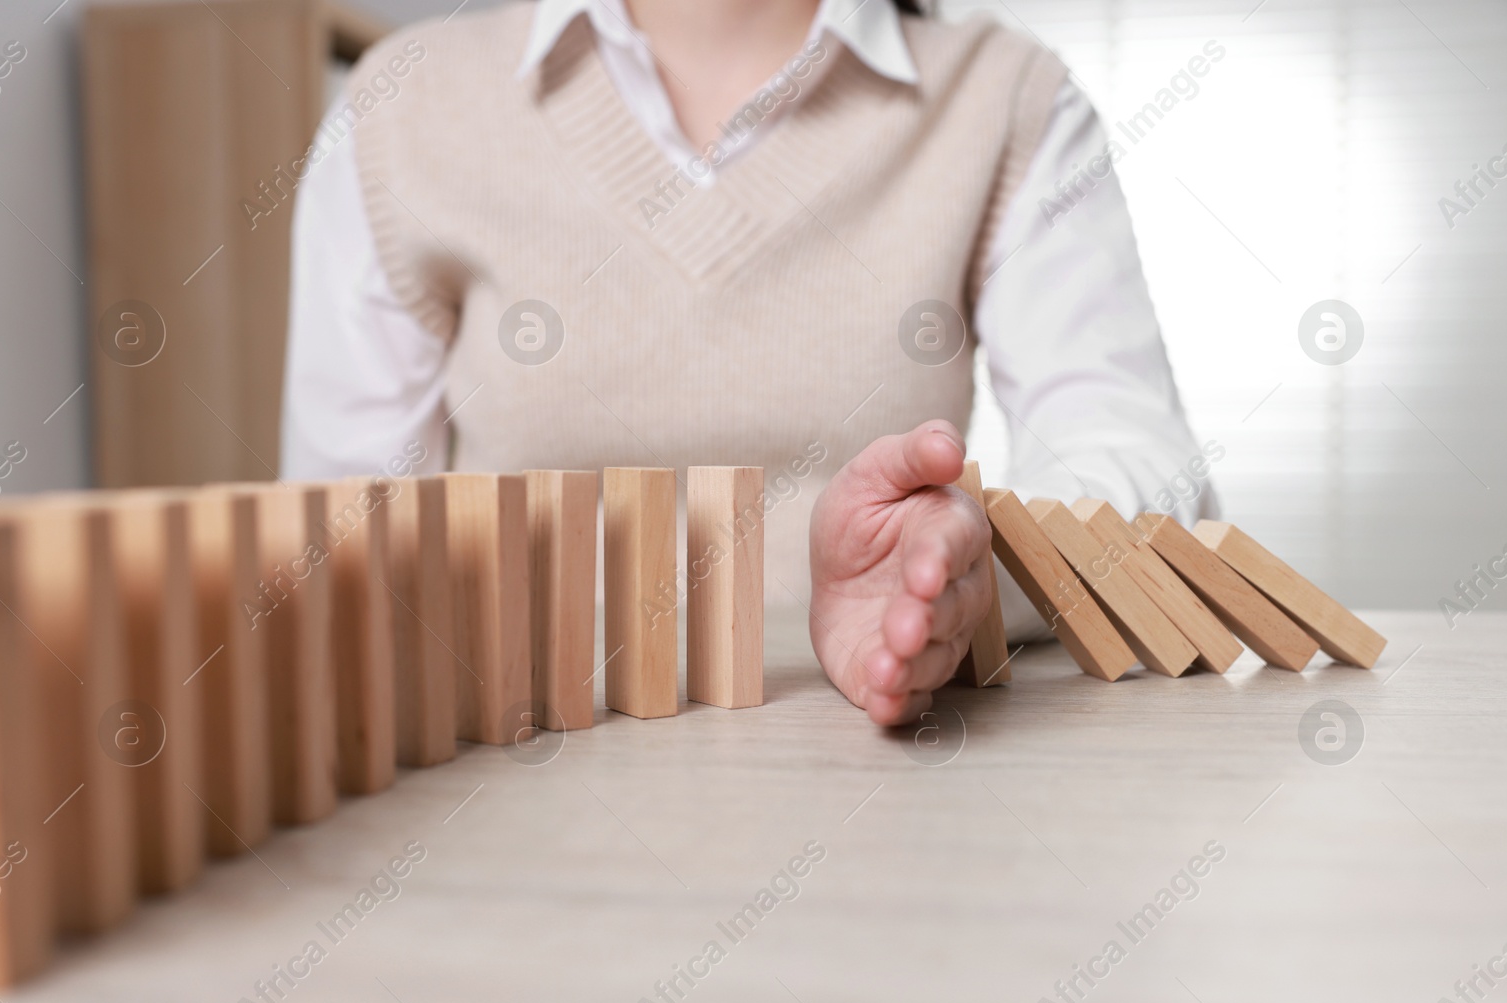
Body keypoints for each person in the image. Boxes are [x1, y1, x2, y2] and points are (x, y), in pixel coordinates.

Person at [279, 0, 1215, 727]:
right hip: (503, 772)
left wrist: (968, 579)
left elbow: (1136, 459)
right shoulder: (403, 106)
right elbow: (335, 551)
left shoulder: (1005, 98)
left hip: (877, 775)